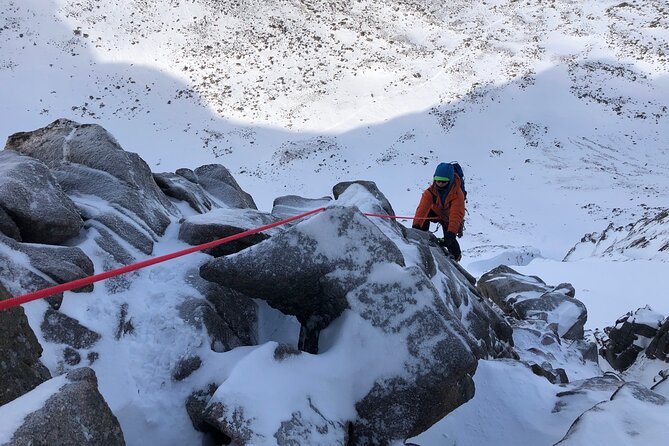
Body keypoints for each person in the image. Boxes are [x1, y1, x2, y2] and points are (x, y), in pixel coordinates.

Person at [412, 162, 465, 261]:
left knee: (450, 238)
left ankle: (456, 256)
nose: (440, 184)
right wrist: (416, 227)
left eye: (443, 181)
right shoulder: (431, 191)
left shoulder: (458, 194)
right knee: (424, 218)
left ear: (450, 180)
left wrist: (452, 233)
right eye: (437, 181)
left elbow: (456, 215)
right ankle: (423, 235)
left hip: (449, 218)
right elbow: (422, 210)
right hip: (436, 212)